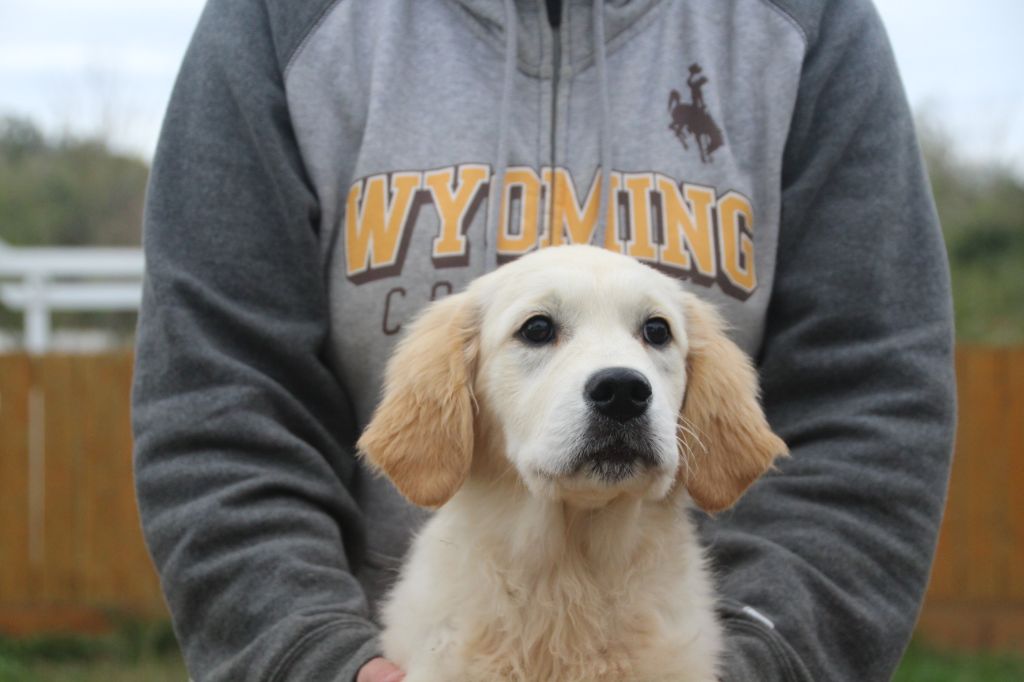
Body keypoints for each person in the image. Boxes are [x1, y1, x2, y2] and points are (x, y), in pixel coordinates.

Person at [132, 0, 956, 680]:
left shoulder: (808, 23)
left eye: (654, 336)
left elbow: (872, 399)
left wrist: (770, 662)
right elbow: (218, 397)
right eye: (538, 331)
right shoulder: (281, 19)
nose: (621, 376)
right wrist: (312, 663)